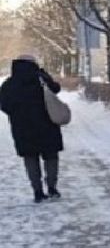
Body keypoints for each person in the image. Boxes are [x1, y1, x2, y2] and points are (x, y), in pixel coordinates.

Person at [0, 55, 65, 202]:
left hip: (22, 128)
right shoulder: (41, 79)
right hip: (47, 125)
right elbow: (56, 89)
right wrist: (44, 74)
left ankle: (37, 191)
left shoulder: (9, 84)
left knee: (30, 158)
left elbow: (4, 105)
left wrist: (18, 114)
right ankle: (52, 188)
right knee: (51, 157)